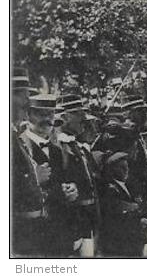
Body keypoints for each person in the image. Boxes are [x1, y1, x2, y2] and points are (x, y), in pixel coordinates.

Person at [48, 94, 99, 257]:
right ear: (65, 117)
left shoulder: (75, 144)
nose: (83, 119)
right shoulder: (58, 145)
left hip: (87, 219)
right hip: (73, 222)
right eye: (78, 114)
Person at [12, 91, 58, 256]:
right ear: (28, 114)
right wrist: (34, 179)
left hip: (56, 233)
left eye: (50, 113)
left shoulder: (57, 150)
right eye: (40, 113)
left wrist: (71, 188)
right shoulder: (17, 145)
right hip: (27, 234)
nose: (47, 119)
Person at [99, 152, 147, 257]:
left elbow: (142, 203)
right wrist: (138, 217)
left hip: (135, 237)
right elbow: (116, 211)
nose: (126, 170)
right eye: (122, 167)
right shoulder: (110, 188)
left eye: (127, 167)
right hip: (121, 241)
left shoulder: (130, 185)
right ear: (113, 169)